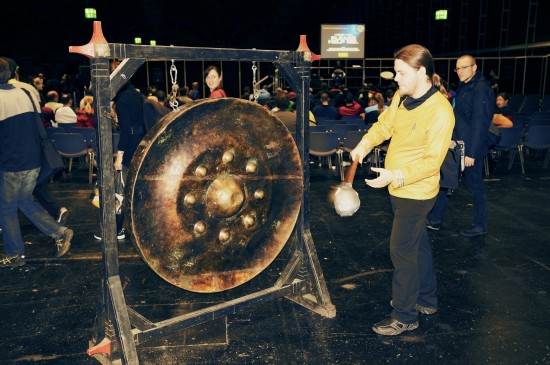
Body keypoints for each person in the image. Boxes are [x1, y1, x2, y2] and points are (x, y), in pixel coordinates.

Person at [350, 44, 454, 336]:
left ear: (422, 72)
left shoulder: (441, 111)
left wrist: (395, 174)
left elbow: (432, 162)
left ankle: (405, 315)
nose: (396, 78)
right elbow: (385, 126)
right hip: (397, 187)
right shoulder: (401, 97)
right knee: (417, 243)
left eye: (401, 73)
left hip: (416, 192)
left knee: (402, 250)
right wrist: (364, 144)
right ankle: (426, 299)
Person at [0, 58, 73, 268]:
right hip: (34, 160)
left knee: (6, 210)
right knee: (24, 201)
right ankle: (59, 233)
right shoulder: (26, 92)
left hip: (11, 163)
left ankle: (15, 255)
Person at [427, 54, 494, 237]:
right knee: (447, 182)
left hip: (471, 148)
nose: (460, 72)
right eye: (457, 68)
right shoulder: (466, 86)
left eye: (464, 67)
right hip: (459, 145)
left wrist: (471, 153)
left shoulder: (481, 89)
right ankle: (434, 220)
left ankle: (480, 225)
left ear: (474, 67)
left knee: (475, 186)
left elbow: (480, 123)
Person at [94, 81, 146, 241]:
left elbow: (126, 130)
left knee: (120, 191)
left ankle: (115, 230)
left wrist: (120, 156)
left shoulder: (122, 101)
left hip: (129, 149)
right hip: (140, 145)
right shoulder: (138, 96)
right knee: (132, 190)